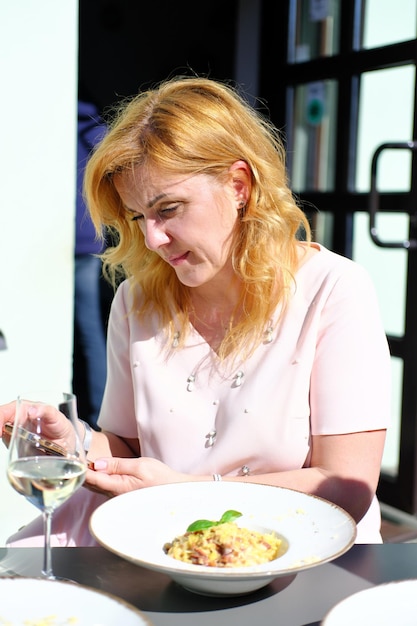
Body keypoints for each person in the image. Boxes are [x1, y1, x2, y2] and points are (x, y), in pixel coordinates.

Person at [0, 76, 390, 546]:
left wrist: (187, 495)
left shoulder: (333, 290)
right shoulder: (136, 301)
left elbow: (349, 488)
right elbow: (126, 448)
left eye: (169, 208)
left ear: (239, 184)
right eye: (138, 217)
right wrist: (72, 444)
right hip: (166, 554)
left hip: (307, 561)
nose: (152, 239)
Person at [73, 100, 108, 428]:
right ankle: (100, 417)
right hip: (89, 239)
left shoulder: (54, 124)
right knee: (90, 331)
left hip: (56, 242)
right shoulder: (95, 129)